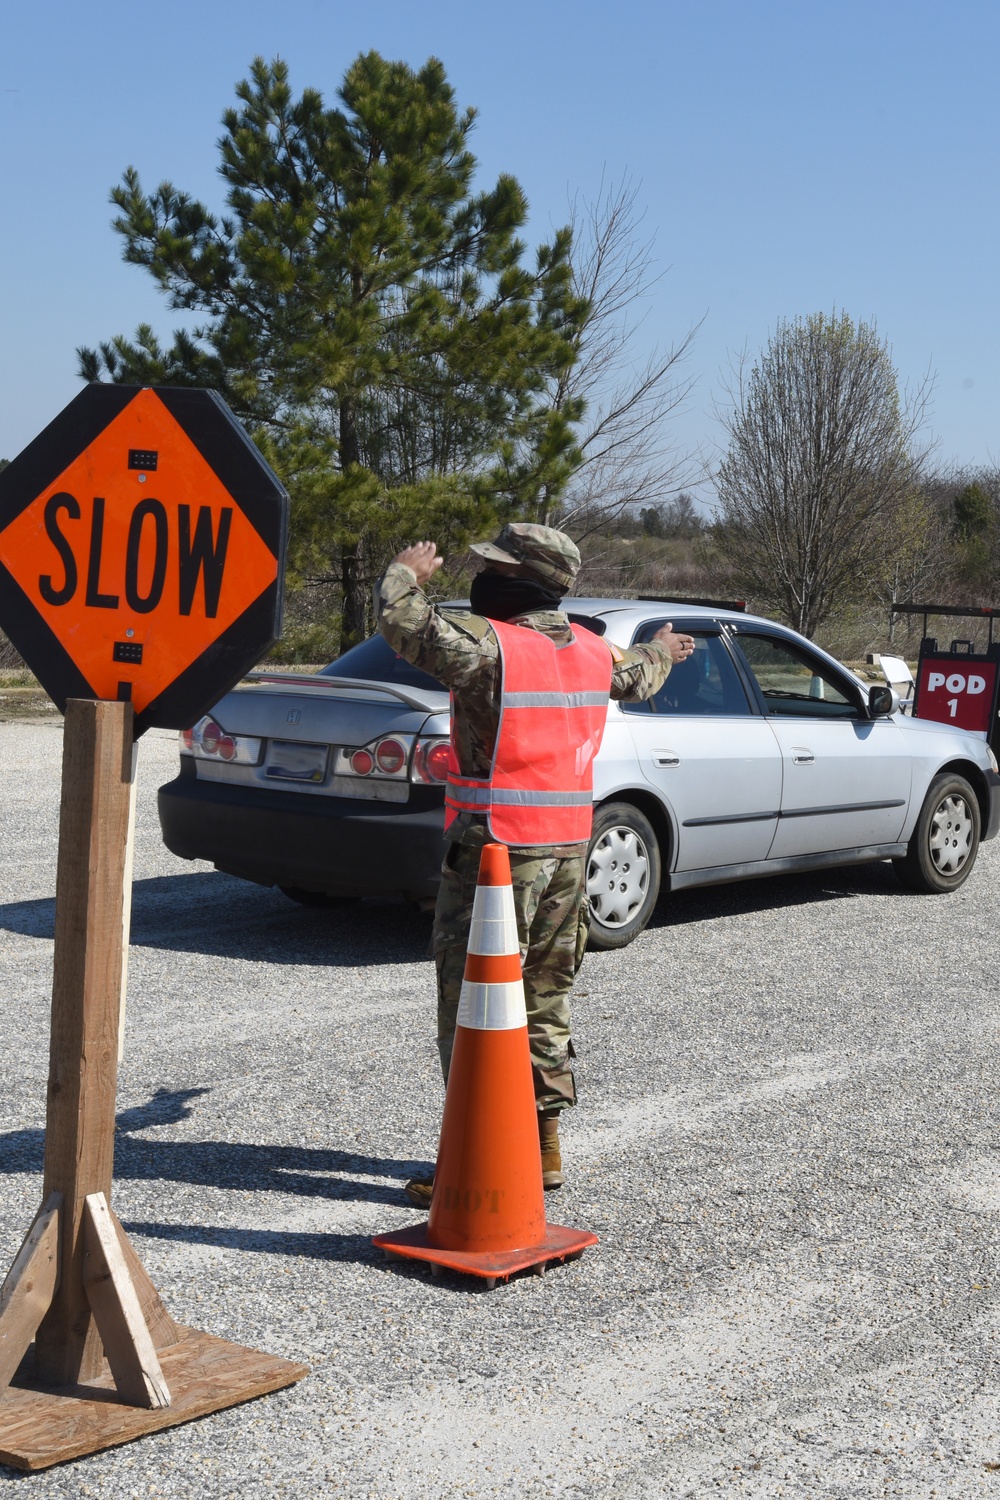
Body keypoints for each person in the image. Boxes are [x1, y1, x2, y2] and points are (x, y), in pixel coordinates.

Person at [375, 523, 694, 1205]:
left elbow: (405, 624)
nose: (481, 576)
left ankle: (472, 1161)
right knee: (544, 996)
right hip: (568, 851)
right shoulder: (588, 650)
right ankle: (543, 1145)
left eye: (493, 568)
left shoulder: (493, 649)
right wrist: (663, 648)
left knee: (474, 1002)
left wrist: (406, 570)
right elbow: (638, 674)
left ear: (520, 580)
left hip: (496, 856)